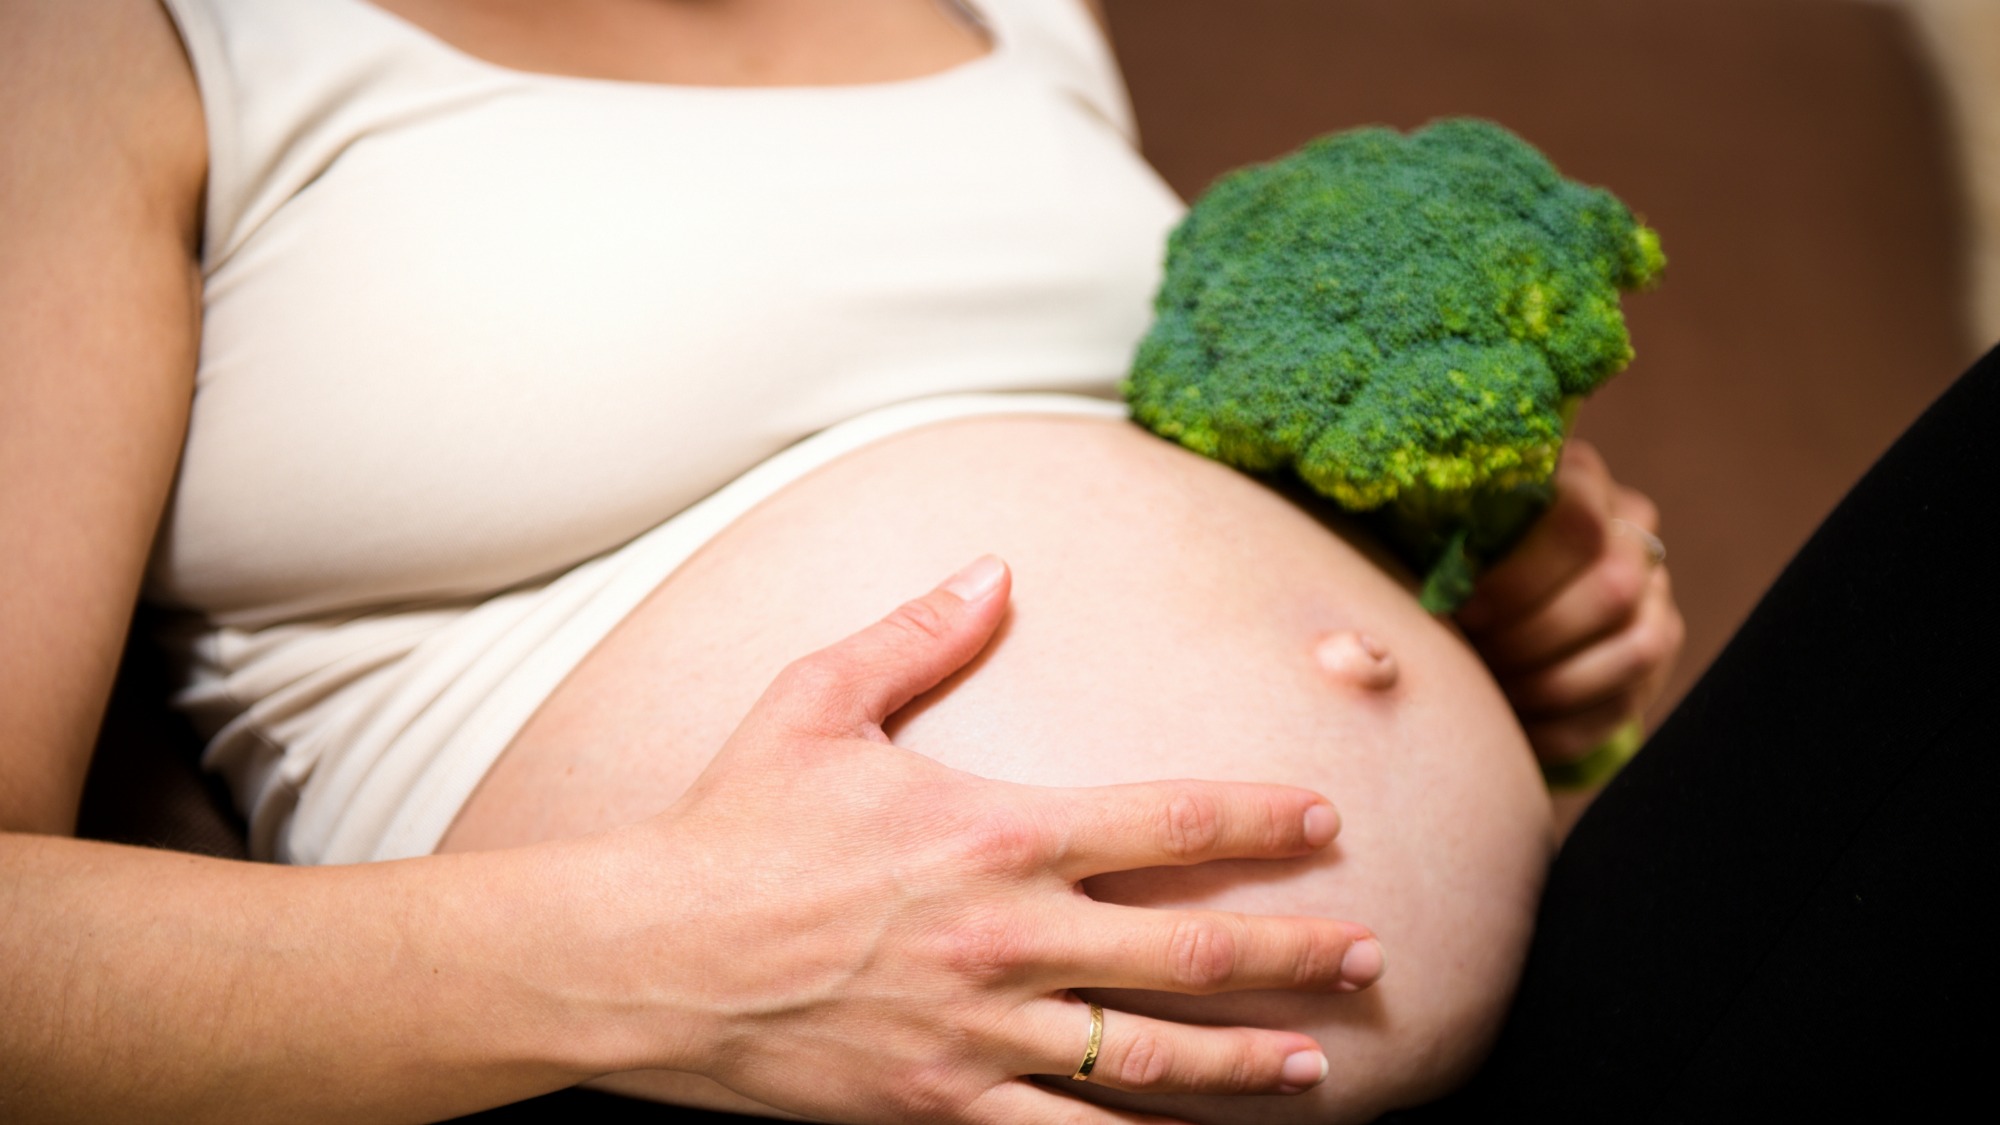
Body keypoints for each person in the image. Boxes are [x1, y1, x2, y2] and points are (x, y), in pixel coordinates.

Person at [0, 1, 1683, 1122]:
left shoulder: (1018, 13)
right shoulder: (114, 43)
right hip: (722, 1079)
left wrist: (1464, 586)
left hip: (1507, 1017)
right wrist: (667, 958)